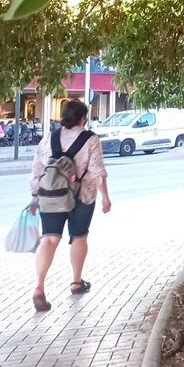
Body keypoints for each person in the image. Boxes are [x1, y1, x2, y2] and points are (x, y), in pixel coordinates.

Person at [27, 100, 111, 312]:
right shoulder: (90, 139)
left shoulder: (50, 137)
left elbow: (38, 168)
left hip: (50, 195)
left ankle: (38, 286)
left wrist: (35, 194)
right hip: (81, 195)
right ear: (83, 118)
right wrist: (106, 197)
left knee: (50, 238)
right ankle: (76, 281)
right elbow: (97, 171)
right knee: (79, 236)